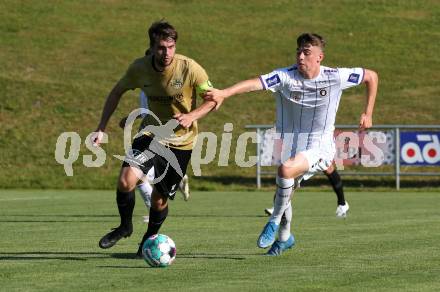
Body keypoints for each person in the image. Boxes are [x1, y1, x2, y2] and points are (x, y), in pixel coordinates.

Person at [204, 33, 378, 256]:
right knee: (284, 194)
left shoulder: (335, 76)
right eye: (298, 51)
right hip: (292, 146)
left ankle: (274, 222)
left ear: (319, 57)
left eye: (307, 52)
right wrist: (224, 93)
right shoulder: (286, 77)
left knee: (285, 170)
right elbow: (255, 83)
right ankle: (285, 239)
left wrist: (368, 113)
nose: (301, 56)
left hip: (321, 147)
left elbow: (371, 76)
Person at [91, 20, 216, 258]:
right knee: (126, 180)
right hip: (151, 135)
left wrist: (192, 115)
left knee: (159, 201)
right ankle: (125, 226)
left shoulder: (190, 68)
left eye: (171, 47)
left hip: (182, 143)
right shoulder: (139, 68)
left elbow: (213, 99)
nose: (166, 52)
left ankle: (147, 241)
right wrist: (101, 128)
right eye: (161, 47)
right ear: (152, 47)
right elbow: (116, 91)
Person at [119, 90, 191, 223]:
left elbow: (152, 112)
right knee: (141, 177)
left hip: (154, 137)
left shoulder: (155, 86)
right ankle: (176, 177)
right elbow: (148, 111)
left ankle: (153, 211)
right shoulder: (147, 88)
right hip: (159, 136)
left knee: (139, 177)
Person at [264, 162, 349, 218]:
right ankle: (279, 207)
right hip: (305, 145)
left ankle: (342, 204)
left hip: (319, 146)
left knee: (328, 169)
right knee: (292, 175)